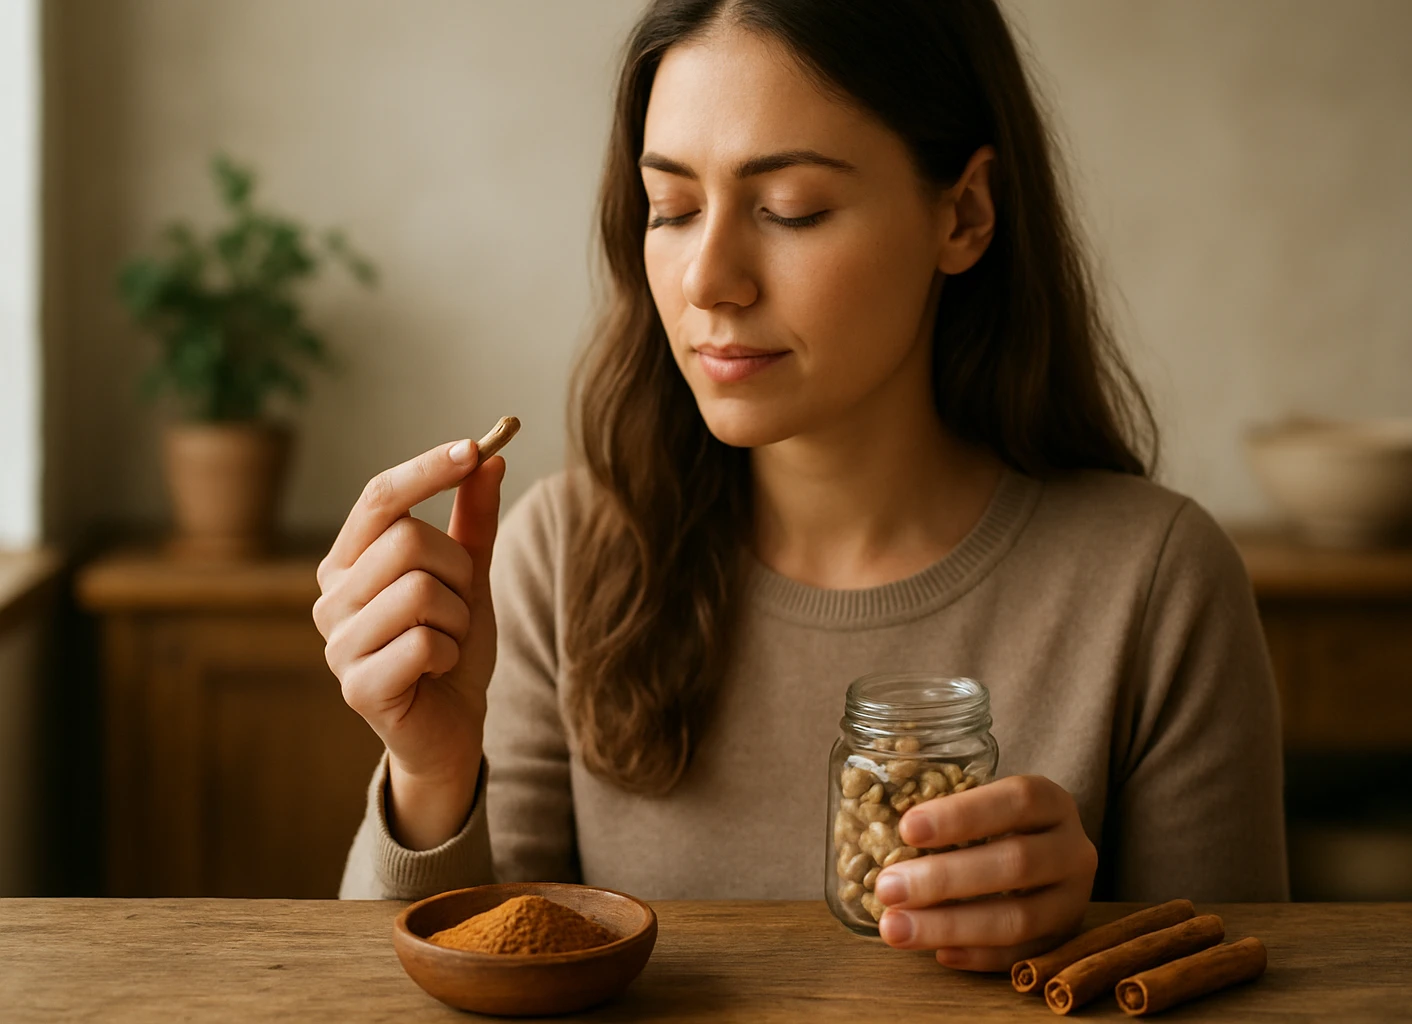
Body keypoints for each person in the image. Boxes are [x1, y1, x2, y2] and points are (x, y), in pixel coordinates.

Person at [317, 0, 1287, 973]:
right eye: (673, 208)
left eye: (790, 210)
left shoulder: (1157, 583)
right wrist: (432, 770)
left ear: (965, 212)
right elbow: (485, 967)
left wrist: (1090, 928)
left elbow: (1231, 982)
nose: (709, 279)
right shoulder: (559, 555)